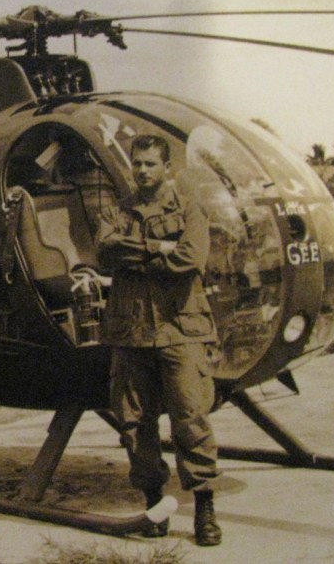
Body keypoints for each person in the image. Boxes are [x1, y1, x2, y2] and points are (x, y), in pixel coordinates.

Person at [96, 133, 222, 546]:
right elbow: (105, 252)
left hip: (180, 330)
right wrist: (159, 249)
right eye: (138, 163)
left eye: (151, 163)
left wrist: (138, 253)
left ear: (167, 168)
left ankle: (204, 510)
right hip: (132, 333)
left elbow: (191, 258)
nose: (143, 170)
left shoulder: (188, 208)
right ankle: (155, 504)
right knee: (134, 423)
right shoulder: (118, 210)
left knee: (190, 419)